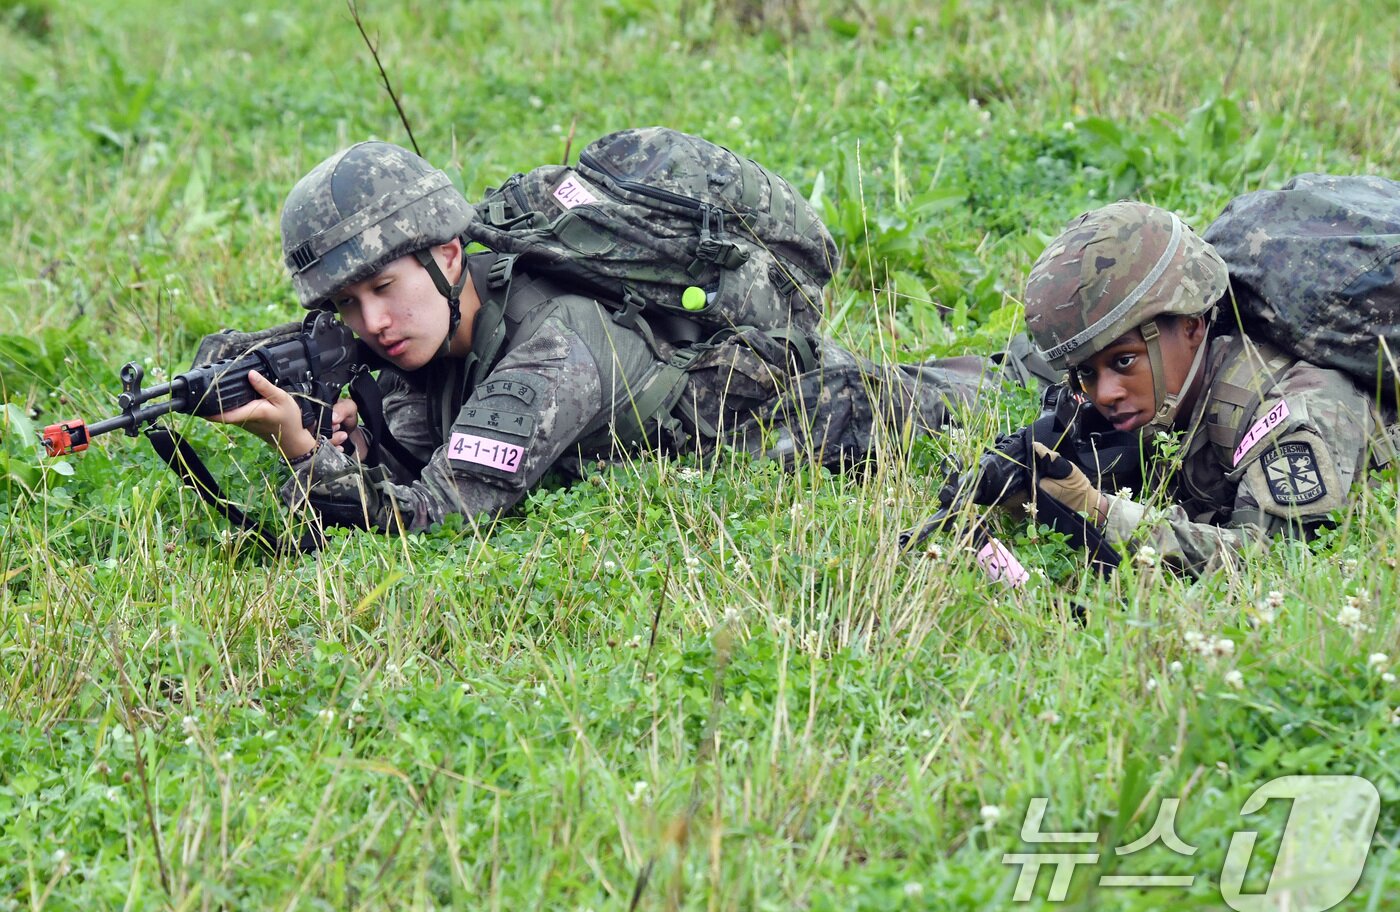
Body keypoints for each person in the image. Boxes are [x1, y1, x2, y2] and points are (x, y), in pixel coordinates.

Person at [208, 140, 1044, 534]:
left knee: (1003, 402)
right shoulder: (434, 338)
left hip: (781, 413)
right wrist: (345, 439)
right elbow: (412, 458)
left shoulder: (551, 346)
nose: (373, 324)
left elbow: (442, 519)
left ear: (451, 256)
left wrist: (299, 453)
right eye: (348, 307)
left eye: (384, 289)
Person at [1020, 200, 1397, 575]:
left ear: (1192, 326)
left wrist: (1099, 512)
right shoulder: (1173, 385)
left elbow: (1271, 560)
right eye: (1086, 372)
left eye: (1124, 361)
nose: (1104, 394)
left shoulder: (1292, 414)